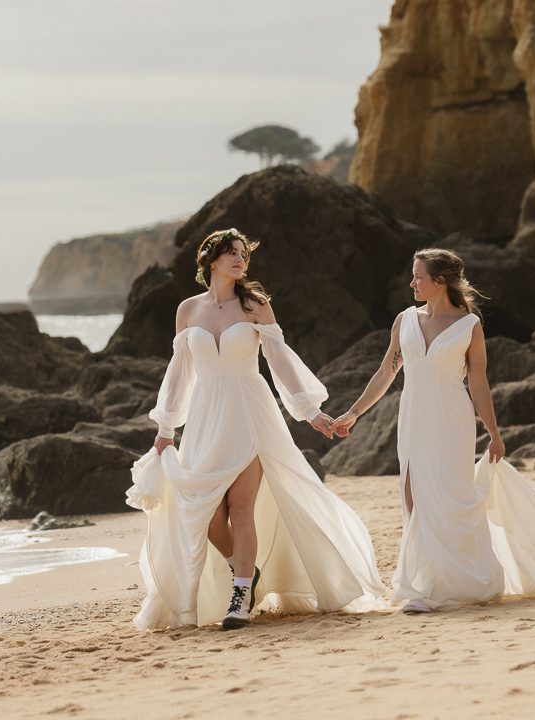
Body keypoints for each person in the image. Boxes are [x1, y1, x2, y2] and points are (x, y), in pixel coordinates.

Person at [332, 248, 535, 613]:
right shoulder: (405, 320)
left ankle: (449, 585)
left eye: (418, 276)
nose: (412, 282)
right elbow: (386, 372)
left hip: (452, 419)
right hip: (413, 417)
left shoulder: (469, 325)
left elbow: (478, 384)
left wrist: (494, 433)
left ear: (440, 281)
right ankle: (426, 583)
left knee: (450, 496)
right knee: (413, 495)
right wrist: (354, 412)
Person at [126, 228, 387, 631]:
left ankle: (240, 595)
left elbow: (280, 361)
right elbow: (179, 374)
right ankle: (242, 568)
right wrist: (165, 426)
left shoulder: (255, 305)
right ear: (211, 260)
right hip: (205, 417)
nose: (239, 259)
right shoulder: (187, 310)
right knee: (207, 515)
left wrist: (310, 411)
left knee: (241, 509)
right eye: (231, 253)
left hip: (250, 411)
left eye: (244, 254)